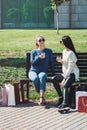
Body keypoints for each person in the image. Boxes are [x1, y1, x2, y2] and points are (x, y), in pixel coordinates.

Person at [53, 36, 79, 110]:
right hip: (66, 73)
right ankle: (61, 97)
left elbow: (71, 68)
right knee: (54, 79)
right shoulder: (64, 51)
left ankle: (65, 103)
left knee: (65, 86)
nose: (61, 43)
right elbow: (66, 64)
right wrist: (61, 61)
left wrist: (64, 79)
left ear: (65, 43)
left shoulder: (71, 53)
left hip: (73, 74)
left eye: (62, 42)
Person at [29, 35, 54, 105]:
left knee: (42, 76)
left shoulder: (48, 51)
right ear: (37, 42)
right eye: (40, 40)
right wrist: (39, 57)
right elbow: (32, 63)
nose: (42, 41)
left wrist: (53, 74)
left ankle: (41, 97)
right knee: (35, 79)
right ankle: (42, 97)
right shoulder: (33, 52)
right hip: (33, 71)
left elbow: (51, 63)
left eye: (43, 40)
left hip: (43, 71)